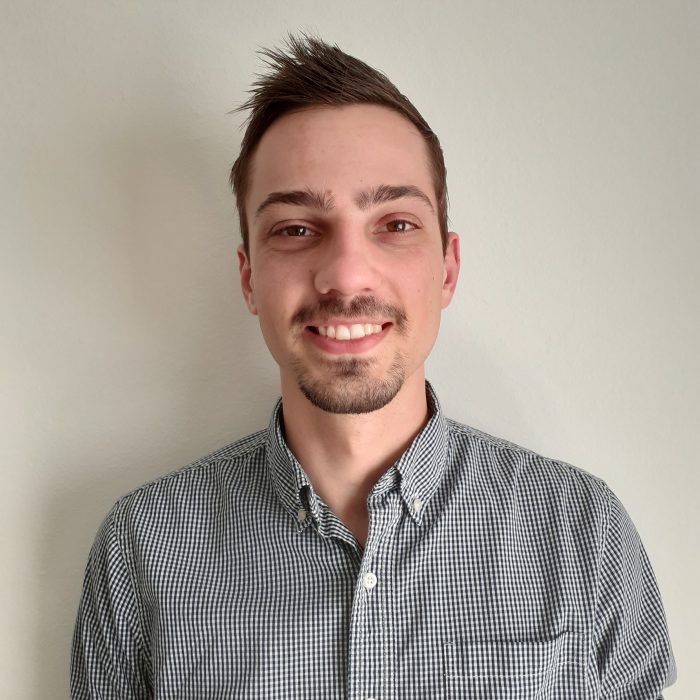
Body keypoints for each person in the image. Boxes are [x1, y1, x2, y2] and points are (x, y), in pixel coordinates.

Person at [71, 35, 675, 699]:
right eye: (295, 228)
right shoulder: (141, 549)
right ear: (248, 279)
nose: (346, 275)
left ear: (447, 268)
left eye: (395, 224)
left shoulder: (583, 532)